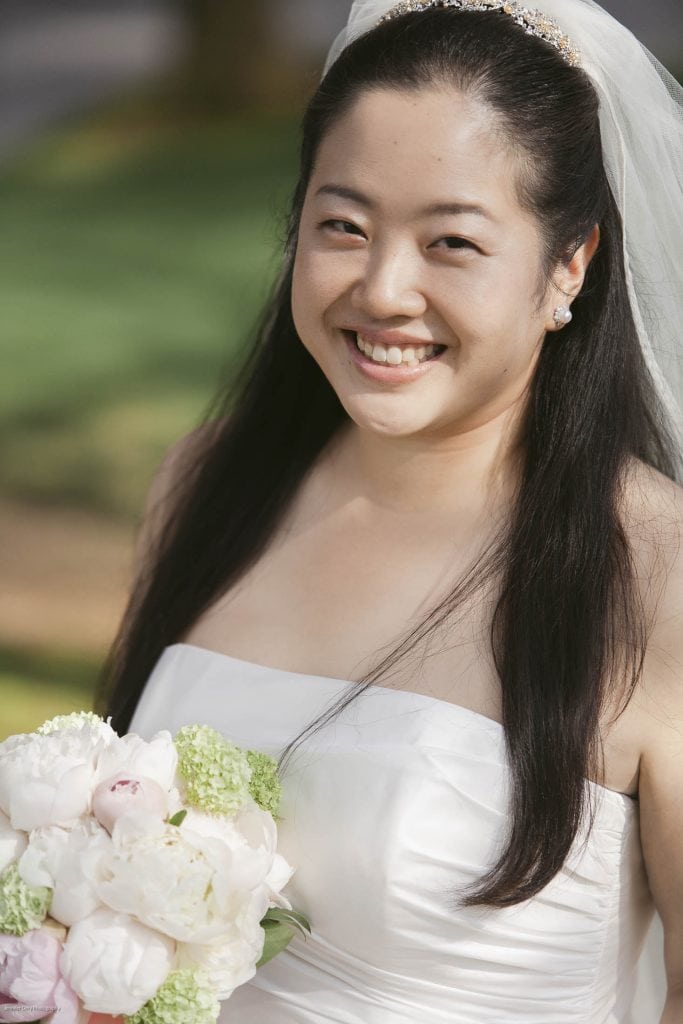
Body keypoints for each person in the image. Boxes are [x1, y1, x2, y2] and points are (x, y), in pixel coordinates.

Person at [98, 0, 683, 1020]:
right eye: (342, 226)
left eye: (449, 241)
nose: (382, 288)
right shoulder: (205, 482)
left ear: (567, 265)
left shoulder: (654, 572)